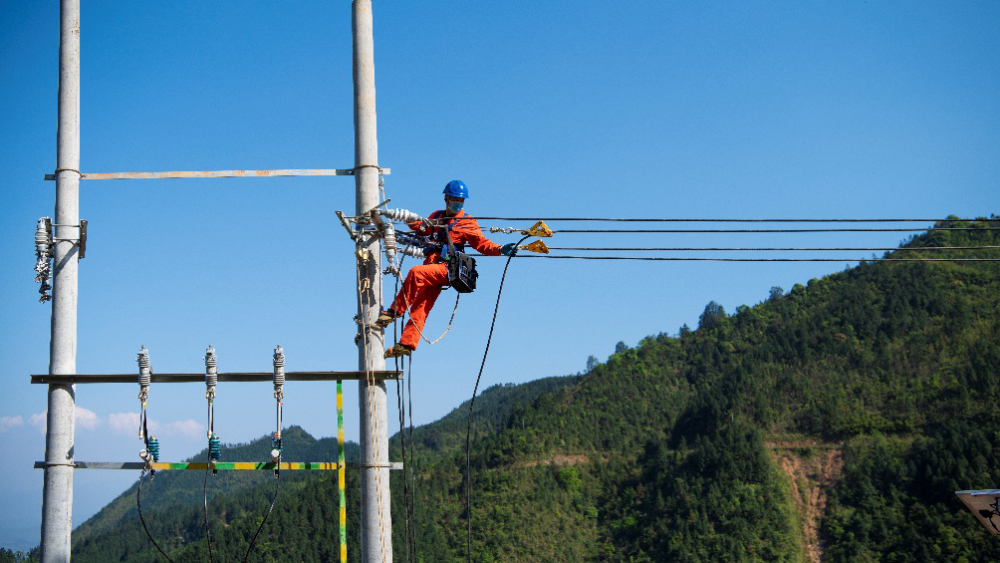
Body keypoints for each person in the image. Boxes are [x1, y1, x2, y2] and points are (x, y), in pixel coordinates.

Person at [377, 180, 516, 358]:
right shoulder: (438, 216)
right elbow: (422, 229)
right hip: (432, 266)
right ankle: (407, 343)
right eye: (455, 199)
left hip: (447, 268)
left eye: (461, 200)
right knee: (421, 305)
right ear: (446, 198)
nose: (458, 202)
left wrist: (500, 249)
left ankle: (394, 311)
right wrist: (408, 219)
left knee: (415, 272)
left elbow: (482, 244)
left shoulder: (467, 222)